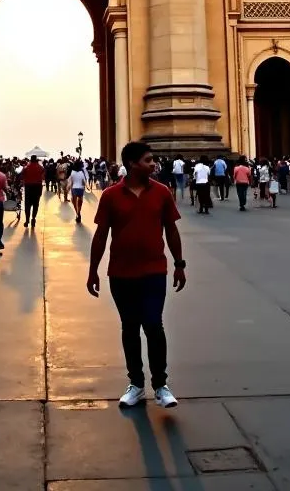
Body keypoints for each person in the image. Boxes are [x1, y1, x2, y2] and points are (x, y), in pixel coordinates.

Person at [87, 140, 185, 409]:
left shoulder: (162, 193)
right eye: (148, 160)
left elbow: (171, 230)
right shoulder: (110, 196)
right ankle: (137, 385)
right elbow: (101, 235)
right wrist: (93, 270)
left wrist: (180, 263)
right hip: (120, 273)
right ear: (131, 164)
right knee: (130, 328)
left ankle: (161, 385)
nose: (154, 164)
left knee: (153, 325)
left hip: (155, 270)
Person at [22, 154, 44, 229]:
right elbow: (43, 176)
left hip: (28, 187)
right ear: (36, 160)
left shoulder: (26, 168)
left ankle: (27, 220)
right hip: (37, 187)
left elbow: (22, 177)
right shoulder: (41, 168)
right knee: (36, 204)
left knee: (27, 205)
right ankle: (33, 218)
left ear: (30, 160)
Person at [69, 158, 88, 223]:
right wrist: (87, 186)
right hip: (81, 189)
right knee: (80, 202)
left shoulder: (72, 172)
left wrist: (68, 188)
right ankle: (78, 212)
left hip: (74, 188)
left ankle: (77, 213)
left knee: (74, 202)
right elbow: (83, 181)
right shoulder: (81, 172)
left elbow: (71, 182)